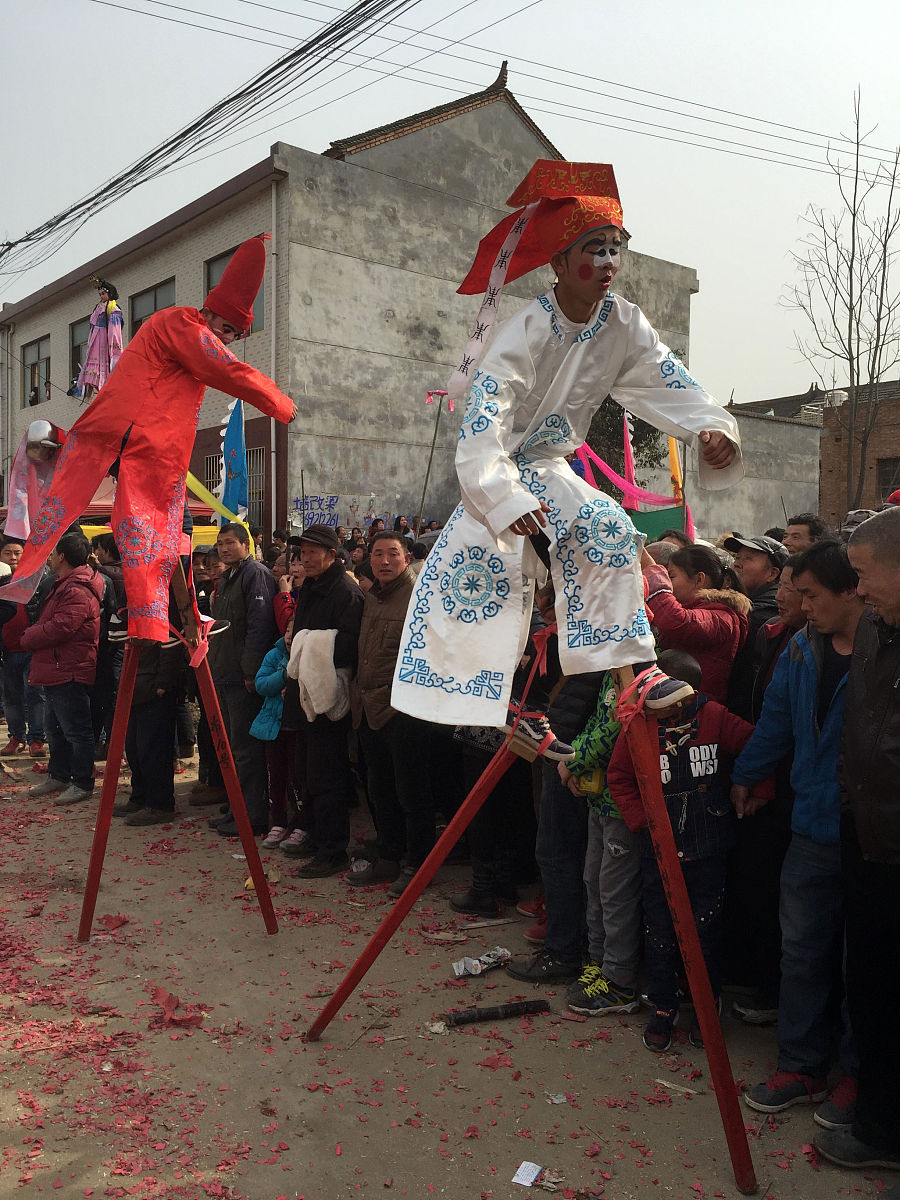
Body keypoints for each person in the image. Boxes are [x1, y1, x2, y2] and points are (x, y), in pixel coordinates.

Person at [391, 159, 741, 740]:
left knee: (607, 530)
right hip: (504, 468)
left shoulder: (624, 322)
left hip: (550, 467)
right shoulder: (525, 329)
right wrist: (500, 496)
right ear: (558, 263)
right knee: (500, 574)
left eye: (614, 248)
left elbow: (666, 377)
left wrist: (710, 428)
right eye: (593, 249)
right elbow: (485, 417)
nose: (607, 263)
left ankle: (632, 677)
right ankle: (518, 705)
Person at [1, 234, 297, 643]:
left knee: (164, 527)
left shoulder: (179, 329)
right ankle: (155, 621)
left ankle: (165, 618)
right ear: (210, 312)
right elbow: (227, 370)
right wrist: (280, 403)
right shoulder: (182, 325)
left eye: (235, 335)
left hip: (131, 436)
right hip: (141, 440)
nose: (227, 340)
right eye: (227, 329)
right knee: (161, 525)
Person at [732, 541, 864, 1128]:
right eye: (795, 591)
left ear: (852, 589)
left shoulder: (884, 651)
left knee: (865, 961)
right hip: (810, 825)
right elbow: (776, 722)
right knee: (803, 951)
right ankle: (802, 1065)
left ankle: (863, 1076)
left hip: (872, 834)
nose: (800, 604)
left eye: (810, 594)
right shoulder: (801, 653)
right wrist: (748, 773)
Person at [608, 649, 770, 1052]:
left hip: (708, 844)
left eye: (679, 701)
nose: (672, 709)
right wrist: (641, 821)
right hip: (657, 852)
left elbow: (758, 746)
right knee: (659, 931)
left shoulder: (714, 717)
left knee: (706, 929)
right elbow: (619, 777)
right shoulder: (638, 726)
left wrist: (757, 789)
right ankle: (663, 1006)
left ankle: (704, 1005)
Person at [814, 510, 900, 1174]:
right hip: (867, 837)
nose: (859, 590)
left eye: (866, 574)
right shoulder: (875, 625)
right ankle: (879, 1121)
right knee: (871, 988)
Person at [724, 557, 806, 1025]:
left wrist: (759, 775)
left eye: (801, 589)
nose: (789, 599)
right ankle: (756, 976)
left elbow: (787, 728)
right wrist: (748, 771)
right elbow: (757, 710)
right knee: (754, 880)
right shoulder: (771, 634)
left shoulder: (817, 646)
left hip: (791, 787)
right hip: (758, 772)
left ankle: (775, 991)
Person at [349, 531, 435, 896]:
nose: (384, 561)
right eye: (378, 554)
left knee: (412, 792)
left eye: (393, 555)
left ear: (406, 557)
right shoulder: (371, 597)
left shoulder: (419, 597)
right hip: (368, 708)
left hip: (404, 711)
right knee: (379, 788)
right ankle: (389, 853)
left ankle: (418, 864)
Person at [288, 524, 363, 878]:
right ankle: (316, 836)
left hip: (330, 698)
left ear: (332, 554)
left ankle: (333, 849)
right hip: (306, 695)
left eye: (312, 552)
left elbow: (350, 645)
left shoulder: (345, 591)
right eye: (302, 553)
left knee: (327, 775)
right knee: (307, 771)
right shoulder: (312, 586)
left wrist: (310, 644)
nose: (305, 559)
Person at [206, 523, 277, 837]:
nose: (224, 549)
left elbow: (258, 627)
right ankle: (238, 810)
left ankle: (253, 816)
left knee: (247, 750)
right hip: (223, 670)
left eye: (230, 543)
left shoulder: (255, 574)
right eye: (221, 544)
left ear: (247, 544)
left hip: (242, 676)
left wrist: (251, 671)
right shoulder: (228, 576)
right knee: (233, 748)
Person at [22, 530, 104, 806]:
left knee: (76, 731)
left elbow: (62, 627)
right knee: (55, 728)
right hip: (56, 667)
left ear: (62, 557)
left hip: (69, 667)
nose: (51, 557)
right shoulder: (65, 583)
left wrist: (29, 636)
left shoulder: (78, 589)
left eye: (54, 552)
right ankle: (59, 775)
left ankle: (82, 782)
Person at [642, 544, 750, 703]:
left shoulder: (724, 617)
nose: (668, 584)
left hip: (697, 711)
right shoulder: (698, 609)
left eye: (671, 576)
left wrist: (652, 571)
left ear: (699, 579)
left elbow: (676, 622)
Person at [724, 534, 789, 718]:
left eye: (748, 558)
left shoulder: (763, 614)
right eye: (737, 557)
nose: (737, 563)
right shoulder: (743, 603)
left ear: (772, 574)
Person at [73, 277, 124, 401]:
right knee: (91, 368)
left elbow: (114, 330)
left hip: (104, 340)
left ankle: (101, 395)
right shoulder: (98, 307)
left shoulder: (113, 308)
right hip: (95, 339)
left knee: (101, 369)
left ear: (109, 293)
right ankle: (88, 396)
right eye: (100, 294)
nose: (101, 296)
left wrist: (112, 344)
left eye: (103, 293)